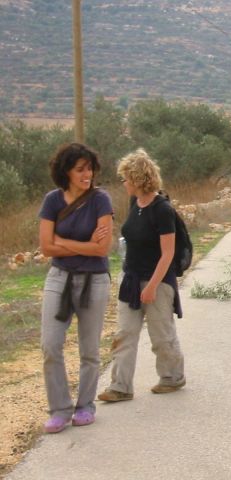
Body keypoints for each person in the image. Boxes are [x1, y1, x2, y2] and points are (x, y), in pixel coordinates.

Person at [98, 148, 186, 403]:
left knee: (161, 335)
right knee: (124, 333)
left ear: (137, 178)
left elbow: (167, 253)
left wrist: (152, 286)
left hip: (157, 281)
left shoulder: (162, 209)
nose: (123, 183)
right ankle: (120, 386)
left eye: (126, 178)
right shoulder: (134, 203)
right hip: (132, 278)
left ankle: (172, 377)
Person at [38, 143, 113, 433]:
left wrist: (63, 242)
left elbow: (102, 248)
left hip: (94, 280)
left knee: (90, 350)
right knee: (50, 345)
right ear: (65, 172)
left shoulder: (100, 200)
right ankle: (59, 409)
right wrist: (84, 246)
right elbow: (45, 247)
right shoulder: (52, 201)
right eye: (80, 169)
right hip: (59, 278)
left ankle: (85, 406)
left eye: (90, 168)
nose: (87, 174)